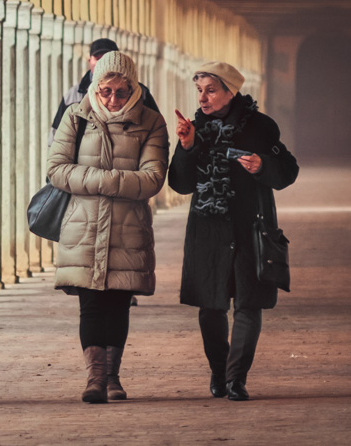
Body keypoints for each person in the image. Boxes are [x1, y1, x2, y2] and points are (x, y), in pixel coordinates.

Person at [167, 62, 299, 402]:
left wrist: (262, 167)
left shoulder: (261, 127)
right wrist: (186, 146)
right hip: (208, 228)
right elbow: (180, 184)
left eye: (211, 90)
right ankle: (219, 371)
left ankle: (236, 379)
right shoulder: (195, 128)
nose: (203, 97)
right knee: (210, 306)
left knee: (247, 304)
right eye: (199, 90)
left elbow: (287, 170)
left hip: (249, 225)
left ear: (231, 91)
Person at [45, 50, 169, 403]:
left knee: (118, 302)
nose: (113, 98)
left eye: (120, 90)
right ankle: (95, 379)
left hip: (128, 229)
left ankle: (113, 377)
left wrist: (93, 180)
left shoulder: (152, 123)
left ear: (134, 87)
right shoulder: (76, 117)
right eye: (105, 90)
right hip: (82, 228)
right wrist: (115, 180)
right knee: (91, 305)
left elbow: (153, 179)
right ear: (95, 87)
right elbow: (56, 169)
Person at [50, 37, 160, 139]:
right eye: (97, 58)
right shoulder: (73, 96)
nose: (113, 100)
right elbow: (56, 137)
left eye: (121, 92)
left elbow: (158, 132)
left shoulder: (141, 93)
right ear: (90, 61)